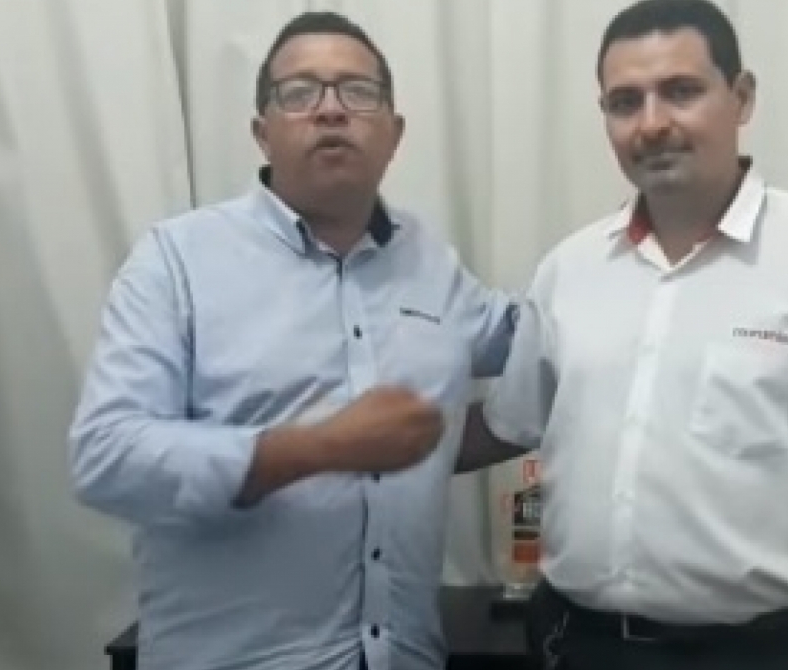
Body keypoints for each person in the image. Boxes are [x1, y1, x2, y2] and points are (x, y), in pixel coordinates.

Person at [457, 1, 788, 668]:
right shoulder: (568, 270)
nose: (652, 124)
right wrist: (347, 442)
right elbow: (509, 423)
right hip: (576, 643)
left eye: (681, 91)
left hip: (765, 651)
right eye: (625, 102)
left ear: (741, 97)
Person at [69, 11, 514, 670]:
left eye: (357, 92)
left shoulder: (432, 265)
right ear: (263, 133)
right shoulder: (176, 261)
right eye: (300, 92)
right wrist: (316, 448)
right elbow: (107, 458)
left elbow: (543, 346)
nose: (331, 110)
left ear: (394, 134)